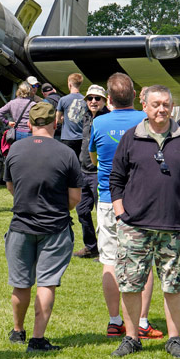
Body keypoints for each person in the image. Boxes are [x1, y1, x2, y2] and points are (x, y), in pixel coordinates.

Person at [109, 85, 180, 359]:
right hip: (134, 227)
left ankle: (174, 339)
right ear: (145, 107)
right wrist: (120, 215)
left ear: (171, 106)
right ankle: (131, 338)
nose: (161, 109)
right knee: (129, 285)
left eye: (165, 104)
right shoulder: (131, 138)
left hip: (174, 226)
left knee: (173, 285)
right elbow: (115, 180)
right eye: (155, 104)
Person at [3, 102, 83, 352]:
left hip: (21, 224)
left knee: (20, 282)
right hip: (55, 226)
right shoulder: (66, 153)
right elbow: (75, 198)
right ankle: (38, 338)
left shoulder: (15, 150)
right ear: (55, 123)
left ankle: (18, 331)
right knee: (46, 283)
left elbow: (10, 186)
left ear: (29, 124)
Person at [89, 73, 163, 340]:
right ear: (135, 96)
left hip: (109, 199)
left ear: (108, 99)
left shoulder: (99, 123)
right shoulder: (146, 121)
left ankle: (114, 320)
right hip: (142, 200)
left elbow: (94, 158)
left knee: (108, 261)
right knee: (145, 262)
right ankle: (142, 321)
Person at [73, 84, 109, 258]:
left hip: (99, 172)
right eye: (90, 98)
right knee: (82, 211)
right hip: (83, 171)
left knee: (102, 214)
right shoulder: (85, 117)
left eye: (97, 98)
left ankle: (105, 249)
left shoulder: (108, 118)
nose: (93, 101)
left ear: (105, 100)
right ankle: (91, 246)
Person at [56, 72, 87, 155]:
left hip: (67, 138)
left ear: (69, 84)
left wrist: (63, 120)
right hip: (82, 137)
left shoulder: (63, 100)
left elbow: (57, 119)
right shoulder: (86, 100)